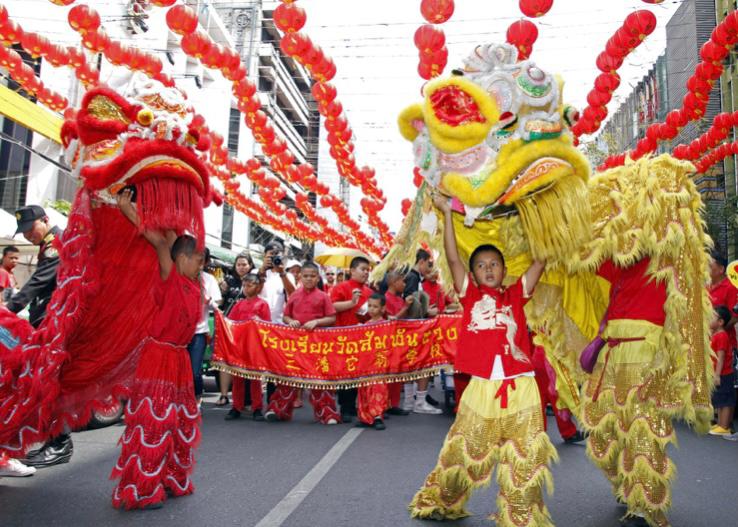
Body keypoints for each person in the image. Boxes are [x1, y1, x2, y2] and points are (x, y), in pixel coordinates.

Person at [410, 194, 554, 526]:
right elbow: (452, 257)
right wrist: (447, 214)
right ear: (473, 275)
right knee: (463, 451)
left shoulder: (516, 294)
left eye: (494, 264)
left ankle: (521, 515)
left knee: (525, 454)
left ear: (504, 270)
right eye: (481, 265)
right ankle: (444, 499)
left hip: (521, 387)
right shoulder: (470, 295)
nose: (488, 269)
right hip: (481, 388)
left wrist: (542, 214)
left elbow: (541, 260)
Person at [112, 189, 203, 510]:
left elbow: (172, 232)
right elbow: (162, 242)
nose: (200, 265)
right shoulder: (170, 274)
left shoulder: (195, 284)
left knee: (177, 421)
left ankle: (169, 479)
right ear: (182, 258)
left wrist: (173, 205)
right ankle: (141, 487)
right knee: (154, 421)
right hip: (158, 357)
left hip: (179, 357)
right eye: (198, 259)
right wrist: (128, 210)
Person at [8, 206, 70, 469]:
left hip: (53, 324)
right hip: (44, 322)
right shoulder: (47, 246)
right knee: (44, 385)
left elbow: (38, 283)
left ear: (45, 221)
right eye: (23, 232)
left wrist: (8, 309)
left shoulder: (56, 244)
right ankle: (53, 442)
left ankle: (60, 443)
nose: (27, 236)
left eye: (31, 229)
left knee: (50, 385)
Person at [265, 262, 341, 424]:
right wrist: (291, 320)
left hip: (316, 344)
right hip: (295, 343)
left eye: (312, 276)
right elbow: (285, 316)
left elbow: (332, 318)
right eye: (305, 276)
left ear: (317, 278)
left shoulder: (323, 296)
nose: (308, 279)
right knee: (288, 377)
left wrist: (317, 322)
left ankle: (327, 413)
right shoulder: (294, 295)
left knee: (318, 378)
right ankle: (278, 409)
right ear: (300, 277)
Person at [330, 256, 374, 422]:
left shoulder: (369, 291)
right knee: (345, 373)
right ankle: (345, 407)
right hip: (344, 338)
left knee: (358, 373)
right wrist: (352, 302)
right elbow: (332, 307)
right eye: (363, 269)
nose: (365, 273)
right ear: (352, 270)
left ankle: (356, 405)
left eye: (367, 270)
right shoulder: (341, 287)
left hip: (363, 338)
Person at [225, 273, 271, 422]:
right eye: (244, 285)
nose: (245, 288)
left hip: (254, 347)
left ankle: (257, 407)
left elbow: (268, 325)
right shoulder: (239, 304)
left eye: (249, 285)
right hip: (240, 346)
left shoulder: (262, 304)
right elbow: (230, 322)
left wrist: (259, 321)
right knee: (237, 377)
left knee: (254, 379)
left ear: (257, 287)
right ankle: (236, 407)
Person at [402, 248, 442, 415]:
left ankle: (410, 401)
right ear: (422, 261)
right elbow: (411, 305)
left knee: (411, 364)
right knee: (423, 364)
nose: (430, 268)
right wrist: (427, 312)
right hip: (415, 329)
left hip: (412, 329)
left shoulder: (413, 277)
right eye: (429, 264)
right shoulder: (413, 278)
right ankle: (419, 401)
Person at [216, 252, 255, 407]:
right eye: (238, 264)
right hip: (228, 327)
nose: (241, 267)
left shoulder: (255, 281)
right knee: (225, 360)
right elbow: (220, 302)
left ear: (250, 266)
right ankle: (224, 395)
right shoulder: (227, 281)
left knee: (245, 363)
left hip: (247, 329)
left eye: (244, 264)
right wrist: (222, 290)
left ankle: (245, 398)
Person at [188, 248, 221, 406]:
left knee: (195, 371)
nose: (198, 263)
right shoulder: (181, 276)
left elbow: (217, 304)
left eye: (202, 260)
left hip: (199, 332)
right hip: (178, 332)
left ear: (206, 262)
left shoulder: (209, 280)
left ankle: (196, 400)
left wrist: (208, 300)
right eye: (195, 258)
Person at [356, 293, 390, 430]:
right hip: (366, 363)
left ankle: (377, 417)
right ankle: (365, 417)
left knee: (378, 388)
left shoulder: (386, 324)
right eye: (369, 306)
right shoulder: (365, 324)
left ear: (382, 309)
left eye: (375, 307)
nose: (371, 309)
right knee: (364, 388)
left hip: (379, 363)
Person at [382, 268, 412, 416]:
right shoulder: (385, 299)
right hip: (388, 341)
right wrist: (406, 307)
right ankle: (384, 403)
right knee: (387, 374)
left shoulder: (400, 299)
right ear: (394, 282)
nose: (404, 284)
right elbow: (391, 320)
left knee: (397, 373)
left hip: (399, 340)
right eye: (402, 281)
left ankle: (394, 403)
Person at [709, 305, 736, 436]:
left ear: (720, 322)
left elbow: (721, 357)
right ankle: (720, 424)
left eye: (712, 317)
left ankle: (724, 426)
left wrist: (717, 375)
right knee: (719, 399)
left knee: (725, 400)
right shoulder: (716, 335)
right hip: (720, 373)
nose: (708, 319)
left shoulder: (721, 336)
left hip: (723, 374)